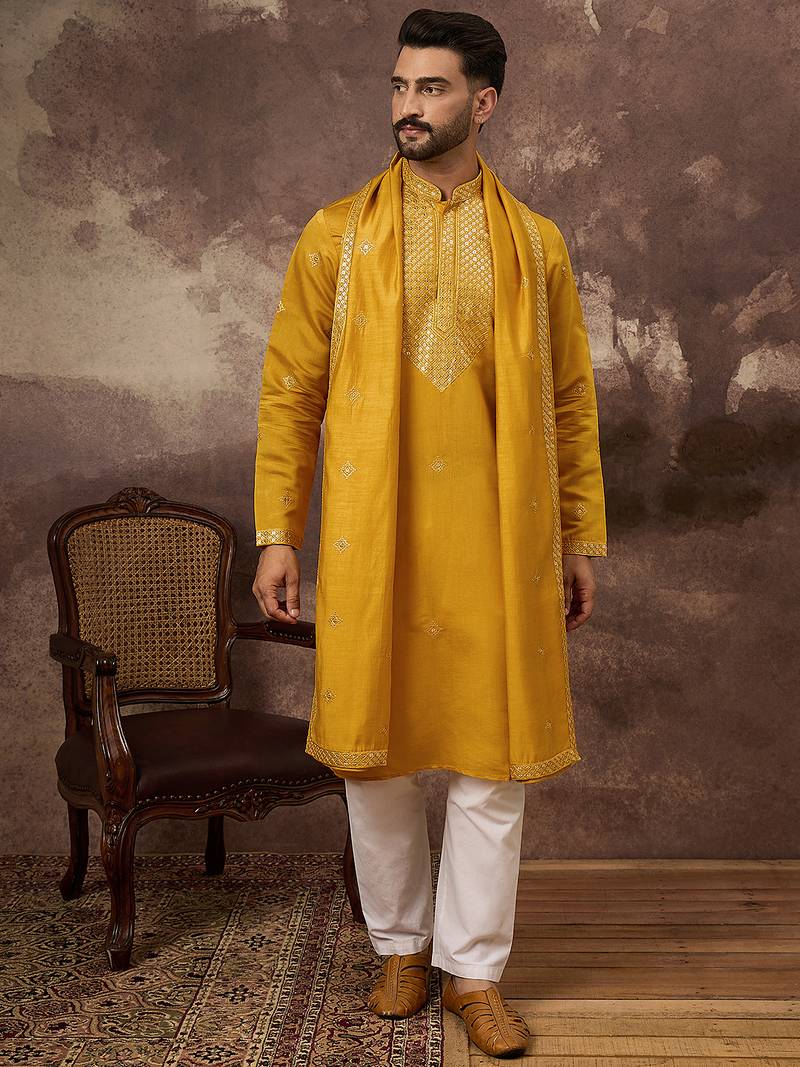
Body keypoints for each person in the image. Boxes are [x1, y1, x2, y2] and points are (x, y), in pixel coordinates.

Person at [252, 8, 607, 1057]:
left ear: (482, 102)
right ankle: (400, 947)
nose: (408, 106)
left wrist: (576, 538)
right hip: (377, 534)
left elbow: (569, 402)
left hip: (500, 538)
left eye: (433, 88)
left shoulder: (535, 243)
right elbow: (290, 391)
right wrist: (279, 530)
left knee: (491, 768)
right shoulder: (337, 234)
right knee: (377, 758)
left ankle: (474, 971)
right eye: (401, 86)